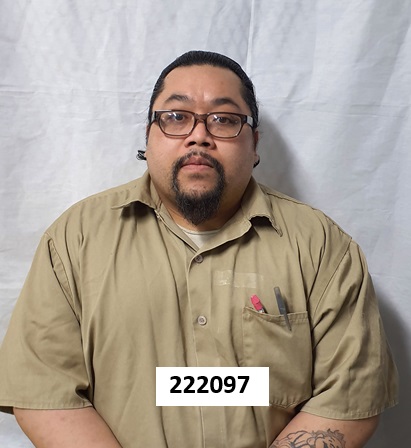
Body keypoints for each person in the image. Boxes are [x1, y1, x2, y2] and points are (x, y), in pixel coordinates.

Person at [0, 50, 398, 448]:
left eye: (224, 119)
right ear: (148, 135)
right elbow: (45, 389)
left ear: (255, 144)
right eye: (176, 117)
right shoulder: (76, 238)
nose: (199, 135)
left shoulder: (322, 246)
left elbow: (348, 398)